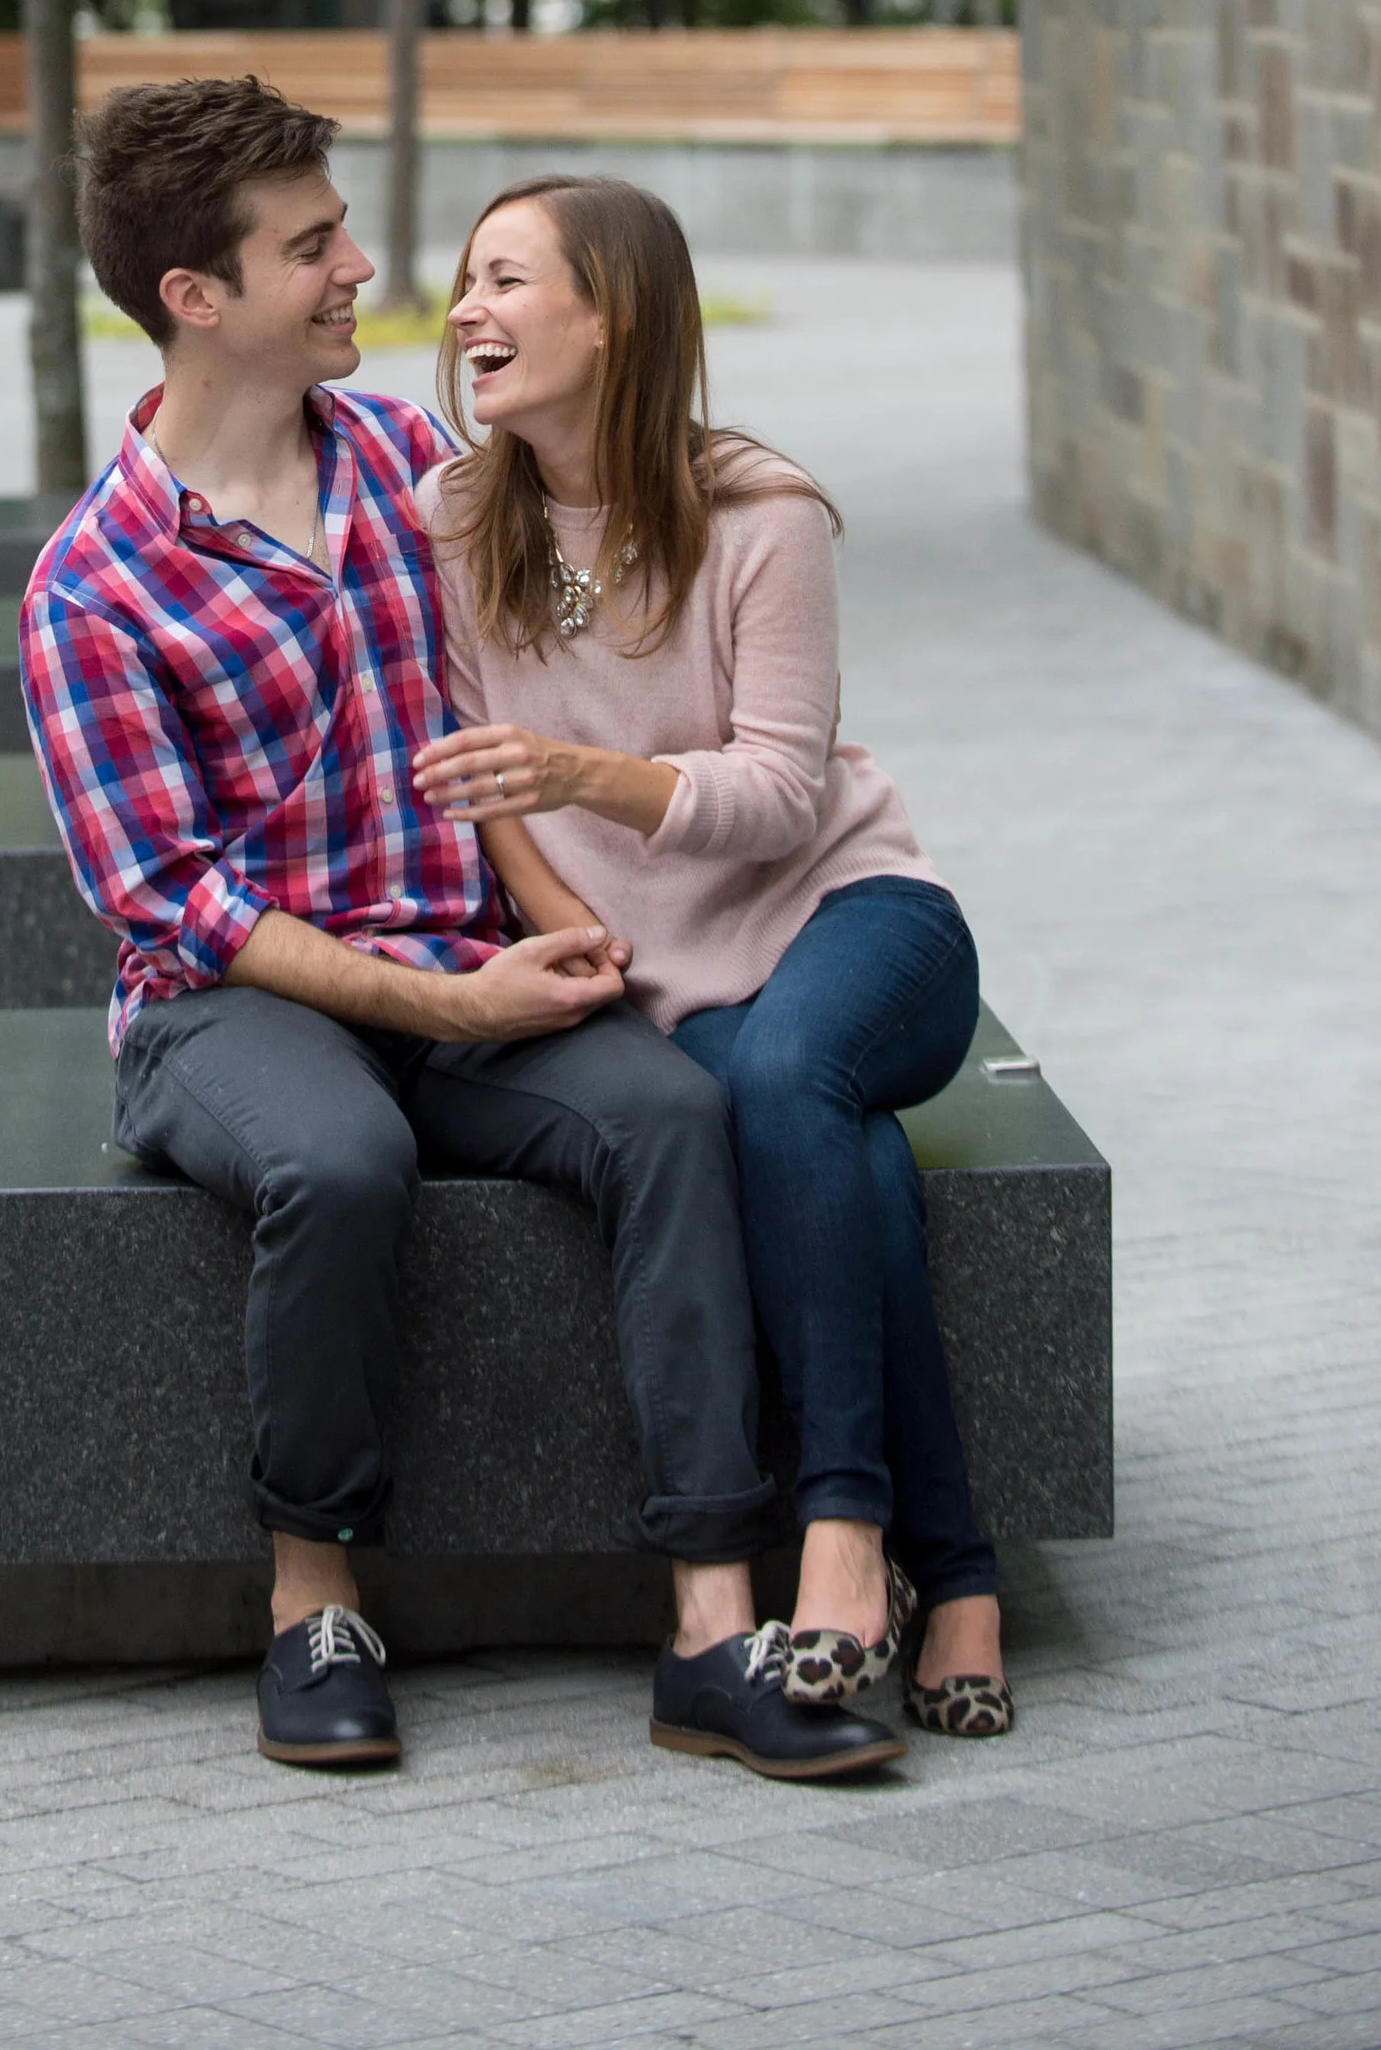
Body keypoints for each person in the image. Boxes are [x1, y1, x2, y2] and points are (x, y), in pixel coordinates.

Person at [20, 76, 901, 1781]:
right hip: (233, 1007)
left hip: (460, 954)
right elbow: (178, 906)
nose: (363, 267)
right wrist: (447, 1015)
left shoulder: (421, 474)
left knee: (671, 1116)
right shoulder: (94, 590)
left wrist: (546, 938)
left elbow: (574, 581)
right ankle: (312, 1597)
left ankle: (711, 1630)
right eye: (312, 245)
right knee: (338, 1159)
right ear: (198, 299)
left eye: (340, 228)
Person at [409, 175, 1013, 1742]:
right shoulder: (461, 524)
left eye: (508, 279)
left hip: (852, 921)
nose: (467, 308)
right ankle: (957, 1577)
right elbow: (484, 791)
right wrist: (561, 919)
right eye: (463, 279)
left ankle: (839, 1536)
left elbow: (780, 794)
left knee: (805, 1074)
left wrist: (580, 773)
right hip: (668, 978)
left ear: (615, 314)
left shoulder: (763, 510)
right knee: (835, 1154)